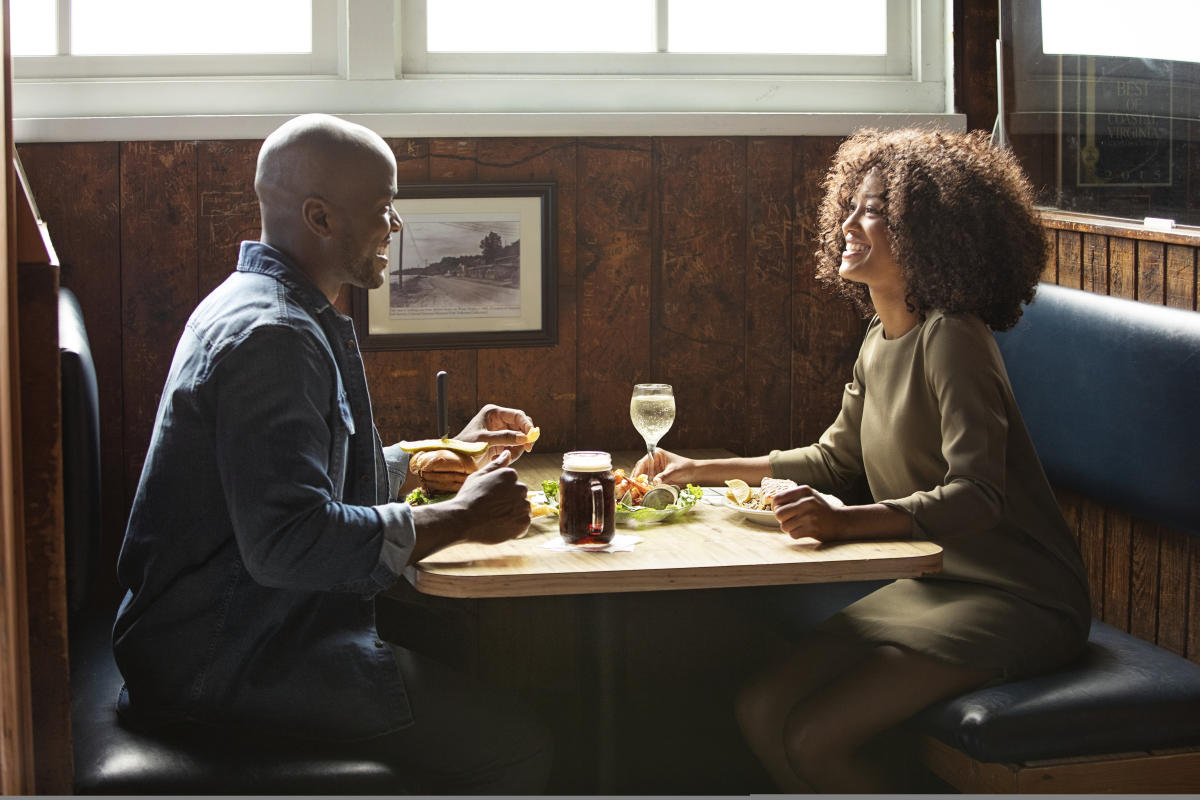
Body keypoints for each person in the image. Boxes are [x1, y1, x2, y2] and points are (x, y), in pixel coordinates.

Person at [634, 128, 1091, 792]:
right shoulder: (880, 336)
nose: (848, 224)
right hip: (935, 585)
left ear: (930, 233)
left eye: (874, 211)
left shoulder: (953, 339)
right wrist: (701, 470)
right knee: (759, 707)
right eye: (849, 206)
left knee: (812, 738)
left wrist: (845, 523)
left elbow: (978, 496)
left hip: (1017, 598)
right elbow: (833, 458)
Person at [112, 114, 551, 794]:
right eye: (382, 208)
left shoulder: (265, 305)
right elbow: (289, 541)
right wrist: (462, 517)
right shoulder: (274, 336)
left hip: (242, 632)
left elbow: (307, 479)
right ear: (319, 217)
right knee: (520, 743)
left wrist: (442, 451)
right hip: (227, 660)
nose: (394, 225)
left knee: (473, 649)